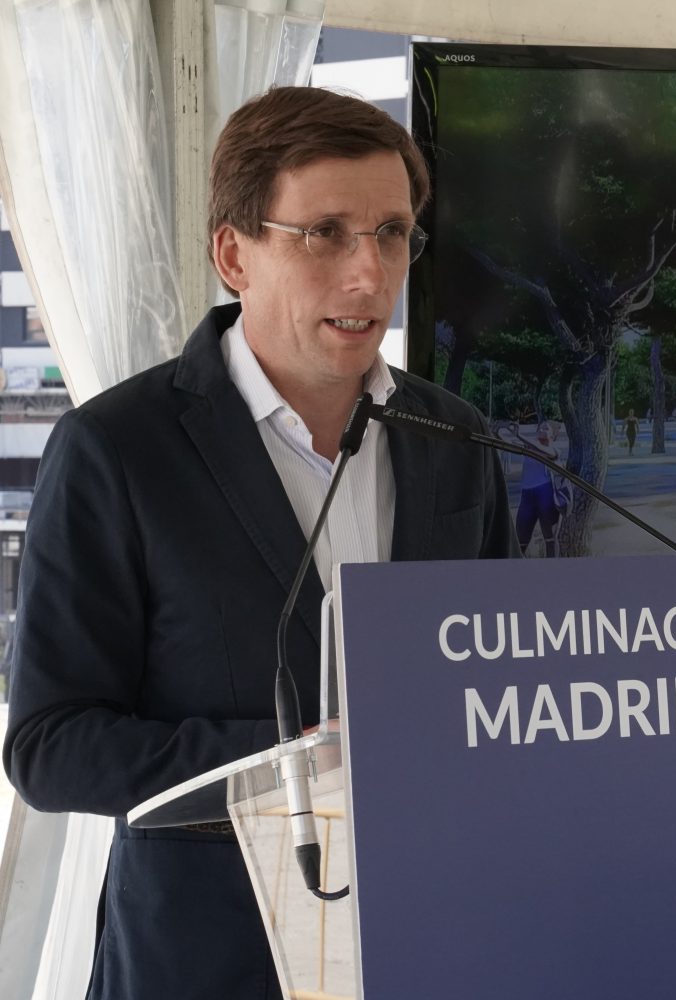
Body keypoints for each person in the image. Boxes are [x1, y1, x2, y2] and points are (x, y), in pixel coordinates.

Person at [1, 87, 518, 1000]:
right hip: (208, 962)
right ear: (234, 254)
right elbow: (52, 745)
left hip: (429, 940)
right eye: (325, 234)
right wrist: (296, 764)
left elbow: (495, 687)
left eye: (393, 233)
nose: (370, 273)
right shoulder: (116, 449)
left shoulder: (456, 439)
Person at [510, 419, 562, 556]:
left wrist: (519, 435)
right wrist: (497, 432)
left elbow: (540, 448)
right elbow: (508, 444)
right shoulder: (529, 447)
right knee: (520, 541)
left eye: (546, 428)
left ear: (553, 435)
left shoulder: (554, 451)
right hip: (527, 497)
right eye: (540, 428)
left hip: (546, 496)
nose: (541, 430)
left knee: (550, 539)